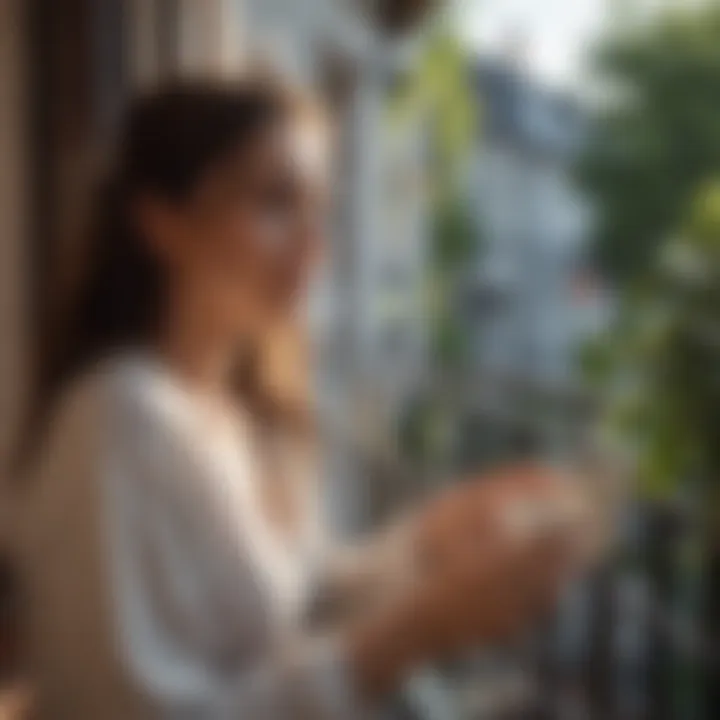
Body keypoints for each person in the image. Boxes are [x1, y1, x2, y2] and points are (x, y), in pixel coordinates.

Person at [12, 77, 583, 719]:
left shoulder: (232, 414)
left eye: (319, 211)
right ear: (161, 223)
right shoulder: (117, 421)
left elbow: (298, 610)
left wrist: (432, 539)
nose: (314, 247)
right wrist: (414, 635)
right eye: (276, 202)